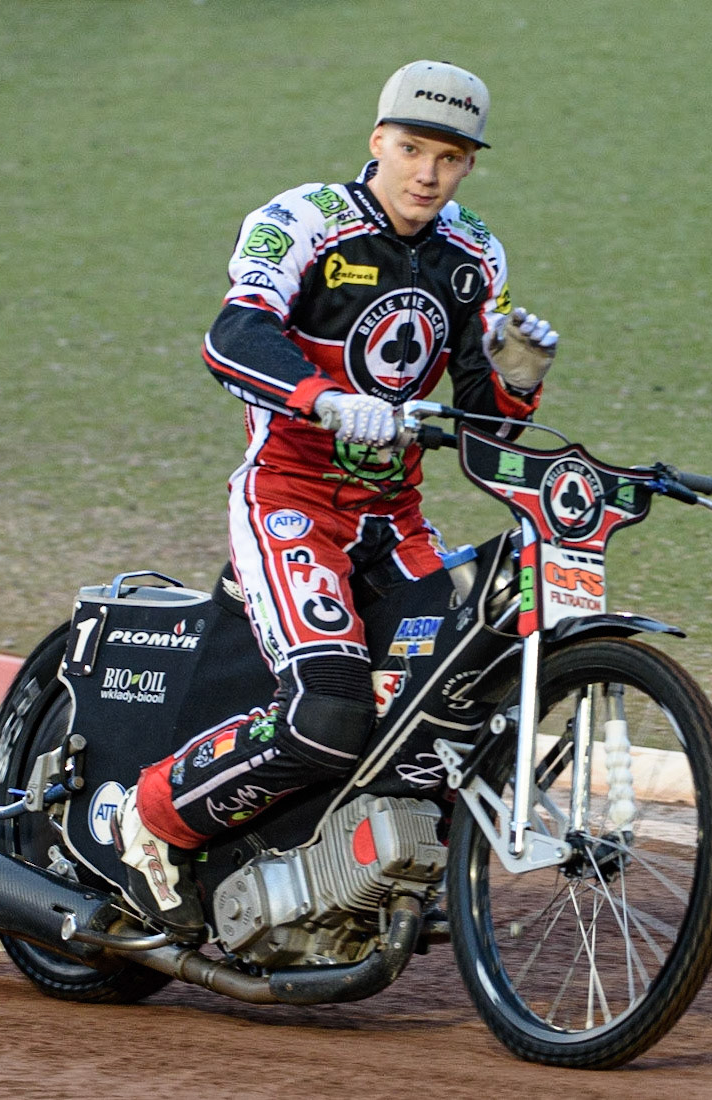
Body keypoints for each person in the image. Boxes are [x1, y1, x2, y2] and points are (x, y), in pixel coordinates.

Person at [112, 60, 561, 937]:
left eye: (450, 157)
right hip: (290, 500)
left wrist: (516, 381)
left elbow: (486, 436)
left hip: (394, 523)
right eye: (411, 149)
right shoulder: (304, 220)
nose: (427, 173)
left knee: (449, 702)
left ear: (471, 163)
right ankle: (148, 822)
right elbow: (232, 333)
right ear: (376, 142)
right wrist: (323, 398)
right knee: (328, 713)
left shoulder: (474, 254)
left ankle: (344, 867)